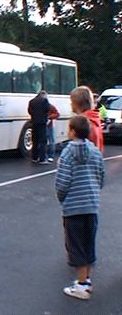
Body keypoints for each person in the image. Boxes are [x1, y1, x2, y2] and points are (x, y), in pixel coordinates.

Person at [55, 115, 104, 300]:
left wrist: (62, 198)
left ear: (73, 131)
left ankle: (81, 286)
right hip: (91, 205)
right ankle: (87, 280)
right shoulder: (94, 151)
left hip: (73, 206)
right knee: (88, 243)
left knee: (75, 246)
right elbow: (101, 174)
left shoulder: (67, 153)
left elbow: (63, 181)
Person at [70, 86, 104, 153]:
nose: (70, 104)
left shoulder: (82, 122)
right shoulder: (94, 118)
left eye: (72, 101)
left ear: (77, 102)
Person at [28, 90, 50, 164]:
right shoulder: (44, 101)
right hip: (42, 122)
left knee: (35, 140)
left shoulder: (32, 101)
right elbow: (47, 109)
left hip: (34, 122)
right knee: (43, 141)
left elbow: (29, 111)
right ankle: (42, 158)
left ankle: (35, 157)